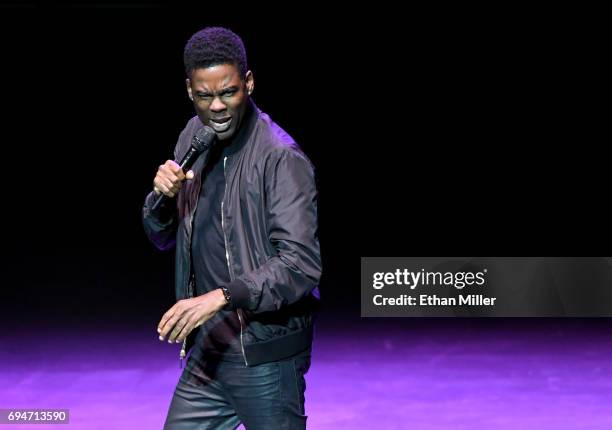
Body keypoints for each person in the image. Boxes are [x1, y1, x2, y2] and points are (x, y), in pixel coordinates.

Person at [142, 27, 321, 429]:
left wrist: (222, 297)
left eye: (229, 93)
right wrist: (161, 198)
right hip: (208, 355)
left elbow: (300, 265)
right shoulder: (194, 136)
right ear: (190, 90)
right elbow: (161, 236)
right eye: (205, 96)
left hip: (265, 360)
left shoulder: (280, 159)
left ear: (249, 83)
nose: (218, 107)